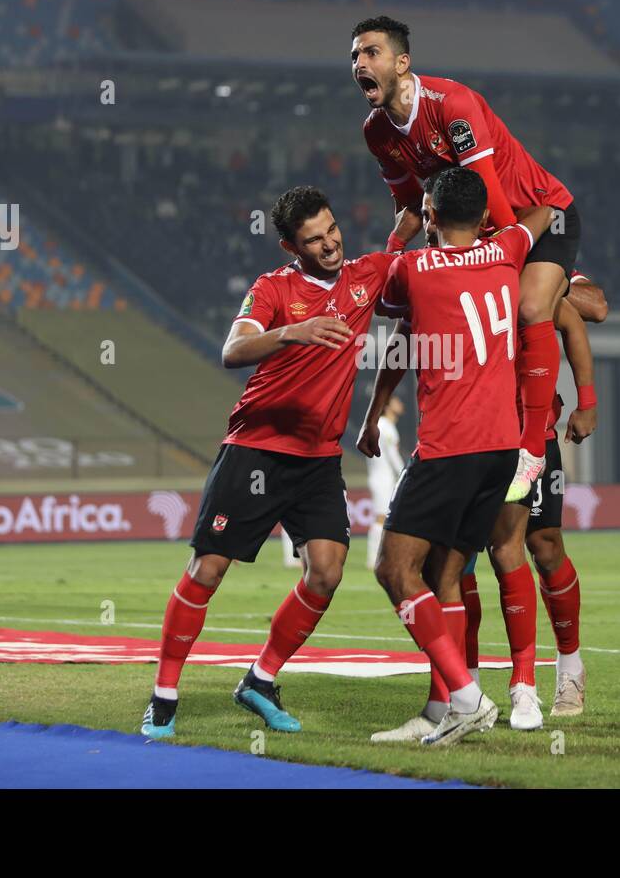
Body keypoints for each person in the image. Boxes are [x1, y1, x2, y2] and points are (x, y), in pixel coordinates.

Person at [140, 186, 417, 739]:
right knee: (209, 570)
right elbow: (232, 350)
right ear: (293, 246)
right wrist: (293, 331)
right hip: (256, 449)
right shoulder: (275, 288)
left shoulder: (365, 276)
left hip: (317, 461)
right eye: (314, 239)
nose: (329, 243)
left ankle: (259, 680)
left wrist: (411, 208)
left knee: (327, 571)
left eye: (332, 229)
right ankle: (164, 696)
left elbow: (408, 238)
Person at [352, 15, 580, 503]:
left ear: (402, 62)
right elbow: (411, 206)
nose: (359, 63)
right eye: (354, 56)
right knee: (416, 320)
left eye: (371, 52)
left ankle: (532, 445)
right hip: (474, 230)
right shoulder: (377, 132)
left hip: (539, 215)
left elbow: (495, 198)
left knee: (532, 309)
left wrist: (501, 260)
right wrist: (401, 254)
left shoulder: (451, 105)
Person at [370, 166, 553, 745]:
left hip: (450, 448)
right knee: (445, 575)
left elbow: (379, 295)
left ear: (430, 217)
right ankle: (449, 704)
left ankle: (469, 698)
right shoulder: (507, 252)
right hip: (503, 450)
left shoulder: (416, 267)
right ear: (481, 218)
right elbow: (544, 210)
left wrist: (398, 235)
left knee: (393, 569)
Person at [365, 394, 405, 571]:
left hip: (380, 477)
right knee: (381, 518)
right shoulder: (385, 427)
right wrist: (405, 473)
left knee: (385, 517)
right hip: (383, 478)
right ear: (388, 406)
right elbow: (393, 457)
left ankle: (379, 556)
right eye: (396, 401)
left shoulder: (382, 426)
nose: (400, 403)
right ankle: (373, 558)